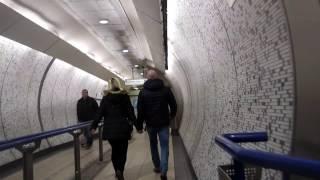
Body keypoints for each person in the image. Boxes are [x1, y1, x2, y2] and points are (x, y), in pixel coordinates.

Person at [91, 77, 137, 180]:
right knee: (123, 151)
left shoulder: (106, 98)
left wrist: (94, 126)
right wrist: (137, 126)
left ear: (109, 86)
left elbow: (99, 113)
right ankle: (120, 169)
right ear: (118, 84)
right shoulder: (124, 96)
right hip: (123, 128)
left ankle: (117, 170)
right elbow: (130, 112)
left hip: (110, 129)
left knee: (115, 150)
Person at [136, 69, 177, 180]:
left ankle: (157, 167)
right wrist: (171, 116)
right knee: (164, 147)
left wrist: (139, 126)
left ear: (147, 77)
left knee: (153, 145)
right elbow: (174, 105)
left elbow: (140, 110)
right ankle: (163, 172)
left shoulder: (143, 92)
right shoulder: (166, 90)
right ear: (157, 76)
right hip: (163, 123)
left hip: (150, 125)